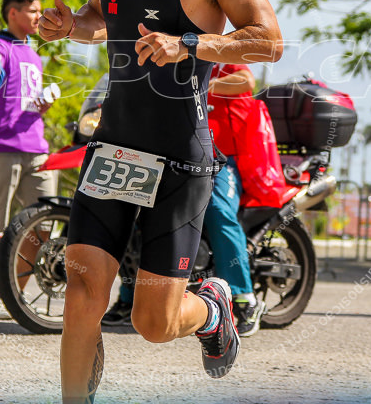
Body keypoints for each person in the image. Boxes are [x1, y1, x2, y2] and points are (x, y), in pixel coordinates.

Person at [38, 0, 283, 404]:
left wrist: (191, 45)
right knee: (83, 291)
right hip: (115, 145)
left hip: (179, 154)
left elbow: (270, 42)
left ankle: (215, 306)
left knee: (152, 323)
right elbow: (101, 19)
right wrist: (70, 26)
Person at [100, 64, 269, 337]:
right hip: (166, 154)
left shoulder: (220, 58)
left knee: (216, 209)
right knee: (134, 210)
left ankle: (242, 298)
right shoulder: (165, 59)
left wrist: (202, 86)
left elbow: (246, 81)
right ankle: (130, 294)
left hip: (220, 159)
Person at [0, 0, 57, 320]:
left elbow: (27, 101)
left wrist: (44, 105)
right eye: (34, 10)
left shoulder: (33, 53)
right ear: (13, 13)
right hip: (1, 150)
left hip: (36, 149)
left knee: (44, 223)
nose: (40, 16)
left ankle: (14, 296)